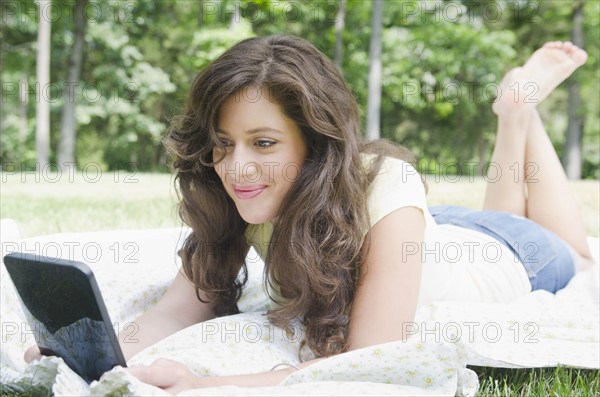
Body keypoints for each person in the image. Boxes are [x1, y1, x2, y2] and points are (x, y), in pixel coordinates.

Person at [24, 35, 593, 393]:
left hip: (513, 253)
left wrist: (208, 383)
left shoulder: (386, 184)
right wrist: (92, 348)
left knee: (581, 253)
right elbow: (176, 312)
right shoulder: (241, 192)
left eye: (264, 143)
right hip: (432, 230)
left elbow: (372, 359)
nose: (235, 167)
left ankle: (518, 110)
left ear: (316, 144)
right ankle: (516, 112)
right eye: (223, 143)